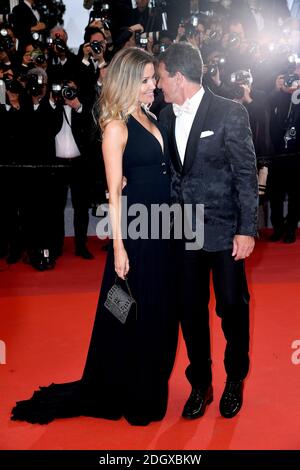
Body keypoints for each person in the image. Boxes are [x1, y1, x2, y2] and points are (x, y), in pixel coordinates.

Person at [11, 47, 178, 426]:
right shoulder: (117, 127)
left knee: (157, 312)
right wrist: (118, 247)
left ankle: (148, 383)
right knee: (129, 313)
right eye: (146, 79)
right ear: (128, 82)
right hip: (135, 234)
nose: (153, 85)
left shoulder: (149, 115)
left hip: (162, 229)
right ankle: (131, 391)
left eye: (154, 78)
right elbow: (115, 194)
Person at [158, 42, 258, 419]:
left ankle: (235, 379)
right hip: (183, 232)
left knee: (232, 308)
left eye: (163, 78)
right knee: (190, 312)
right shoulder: (165, 116)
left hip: (224, 231)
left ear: (178, 77)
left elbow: (246, 175)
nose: (159, 86)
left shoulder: (230, 112)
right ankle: (200, 383)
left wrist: (247, 229)